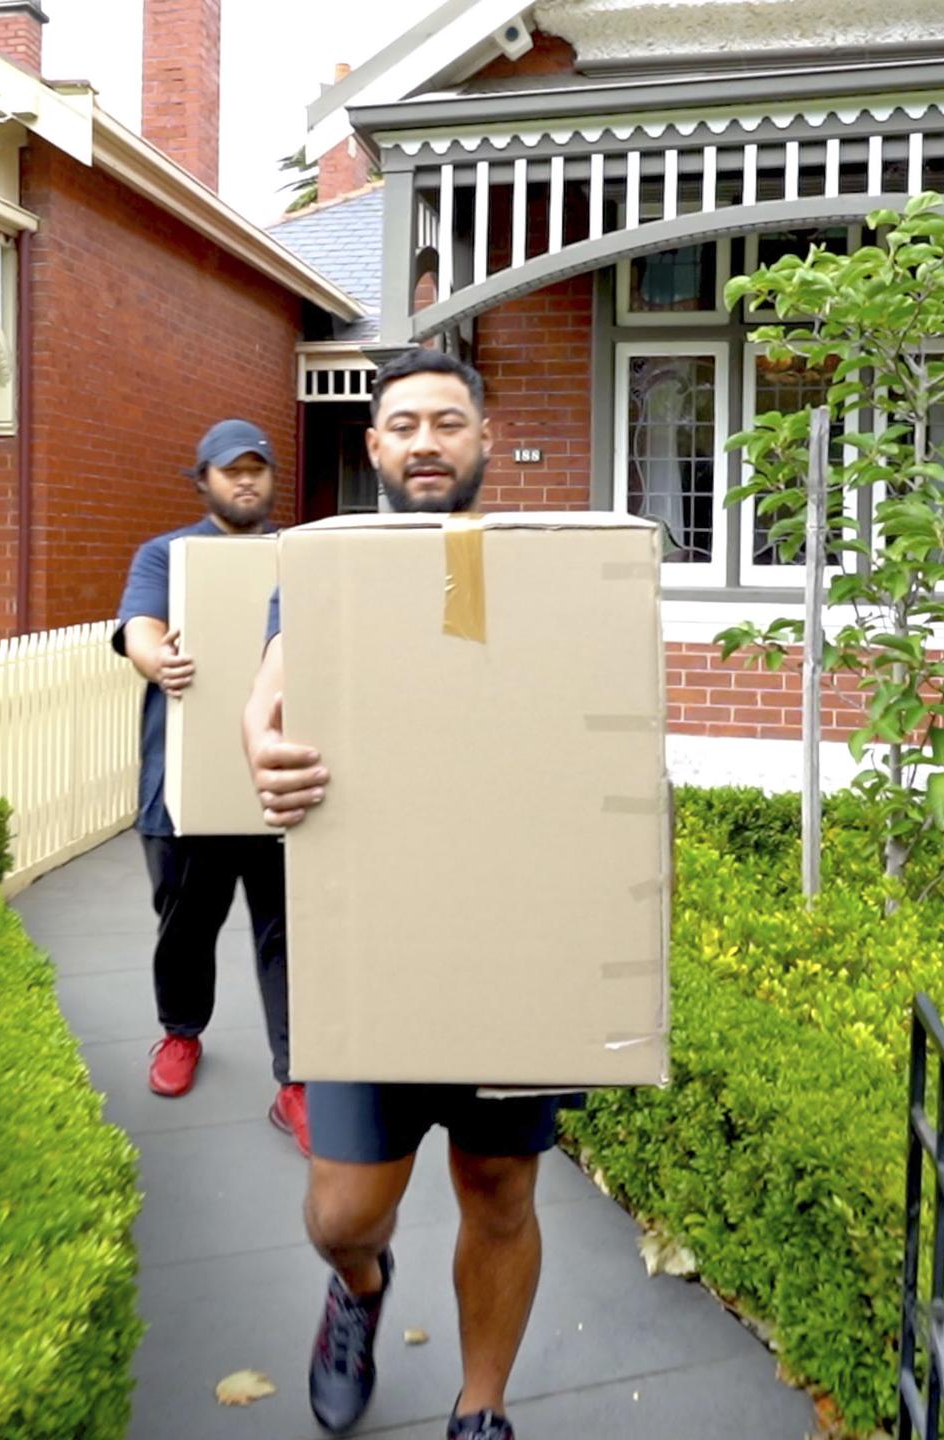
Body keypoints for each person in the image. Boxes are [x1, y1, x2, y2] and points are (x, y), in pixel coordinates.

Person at [241, 349, 567, 1440]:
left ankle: (482, 1408)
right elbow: (270, 688)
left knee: (500, 1190)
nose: (428, 442)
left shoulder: (539, 570)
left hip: (506, 941)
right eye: (406, 426)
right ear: (374, 445)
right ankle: (360, 1286)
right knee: (344, 1213)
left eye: (448, 421)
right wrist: (259, 743)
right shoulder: (329, 566)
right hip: (369, 940)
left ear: (484, 438)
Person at [113, 418, 307, 1155]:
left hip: (275, 783)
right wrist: (156, 658)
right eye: (232, 470)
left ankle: (296, 1079)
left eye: (258, 468)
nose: (246, 480)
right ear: (204, 481)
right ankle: (180, 1033)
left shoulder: (300, 556)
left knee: (288, 934)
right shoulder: (167, 554)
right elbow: (140, 626)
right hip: (185, 787)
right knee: (185, 927)